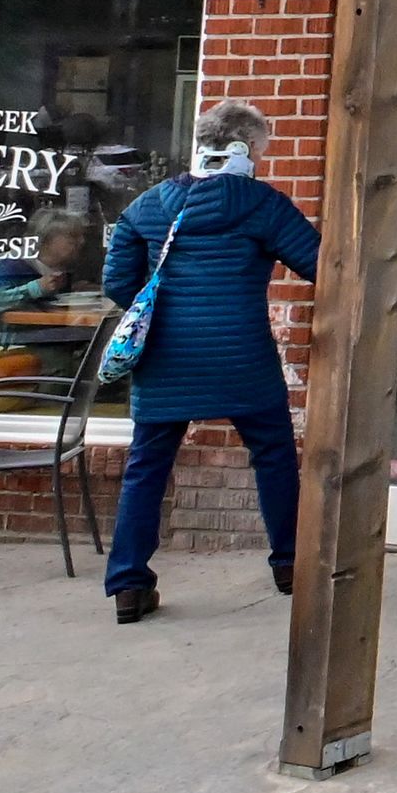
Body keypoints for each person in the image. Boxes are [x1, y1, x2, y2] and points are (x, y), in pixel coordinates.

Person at [100, 102, 317, 625]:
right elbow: (321, 263)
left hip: (165, 360)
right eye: (262, 147)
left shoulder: (149, 206)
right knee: (273, 456)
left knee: (147, 466)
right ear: (246, 148)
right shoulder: (262, 204)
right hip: (241, 356)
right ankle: (289, 565)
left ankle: (129, 585)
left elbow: (117, 284)